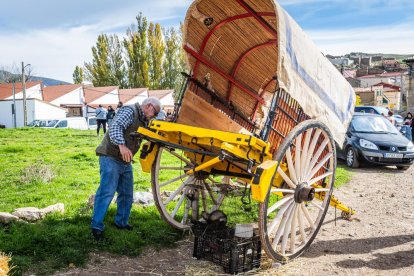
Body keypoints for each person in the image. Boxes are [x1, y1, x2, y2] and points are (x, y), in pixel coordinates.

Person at [91, 97, 161, 241]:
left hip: (125, 161)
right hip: (110, 156)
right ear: (148, 106)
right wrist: (122, 146)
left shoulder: (144, 120)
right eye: (155, 112)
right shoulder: (130, 111)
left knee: (127, 193)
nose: (154, 116)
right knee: (107, 191)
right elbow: (115, 126)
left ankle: (121, 222)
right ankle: (96, 226)